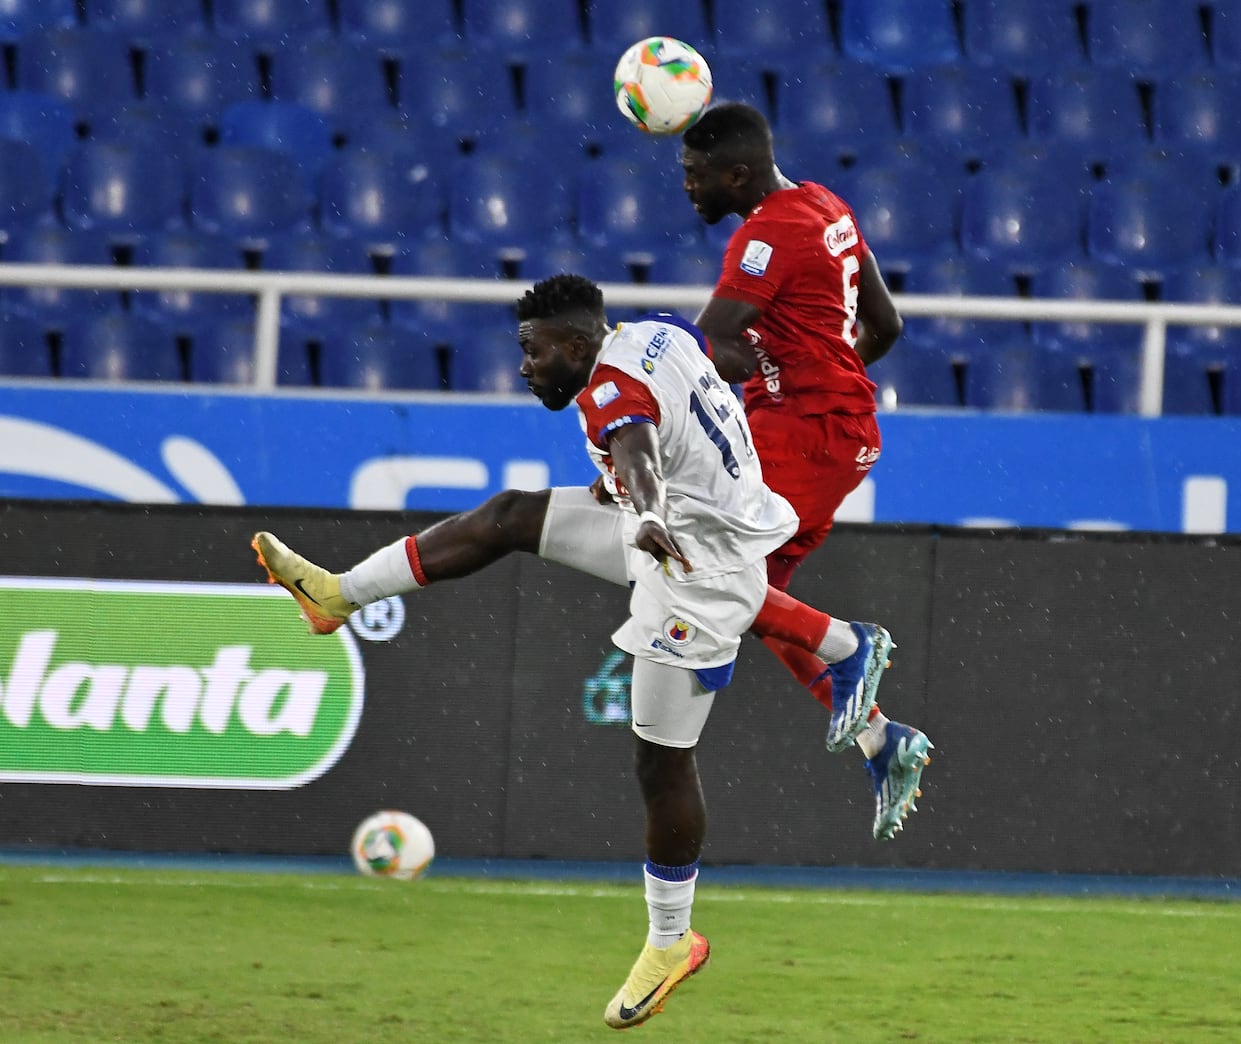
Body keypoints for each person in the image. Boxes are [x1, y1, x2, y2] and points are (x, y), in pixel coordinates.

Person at [252, 275, 932, 1029]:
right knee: (510, 517)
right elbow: (703, 385)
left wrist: (647, 508)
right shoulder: (657, 332)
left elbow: (638, 450)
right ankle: (338, 595)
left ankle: (671, 941)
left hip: (689, 571)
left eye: (533, 351)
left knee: (661, 764)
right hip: (707, 530)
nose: (525, 367)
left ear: (577, 345)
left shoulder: (609, 390)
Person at [679, 102, 926, 826]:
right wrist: (823, 379)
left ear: (737, 174)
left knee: (717, 580)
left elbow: (708, 340)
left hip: (805, 432)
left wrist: (795, 388)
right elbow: (886, 324)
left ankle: (855, 646)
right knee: (757, 603)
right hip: (825, 428)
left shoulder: (768, 233)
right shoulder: (825, 205)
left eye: (696, 174)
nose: (688, 187)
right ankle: (882, 740)